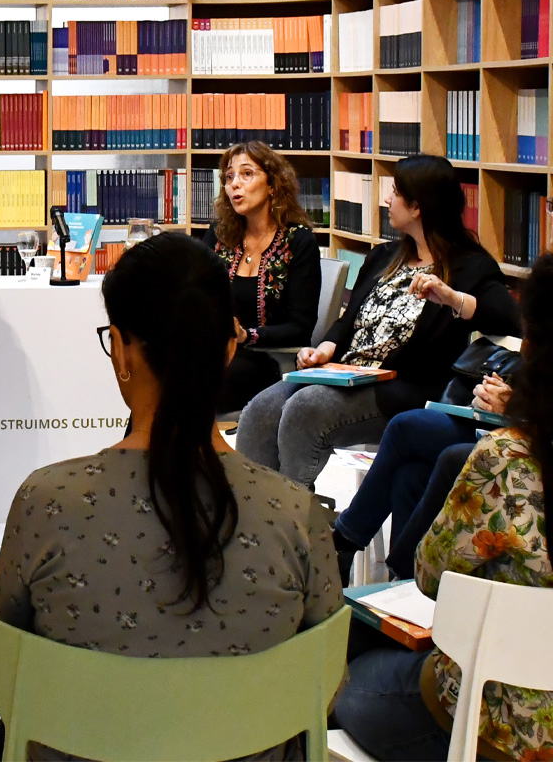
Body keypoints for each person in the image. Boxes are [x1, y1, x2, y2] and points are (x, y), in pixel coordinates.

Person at [0, 233, 342, 761]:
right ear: (229, 349)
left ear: (121, 349)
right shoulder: (295, 512)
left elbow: (9, 676)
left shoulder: (47, 503)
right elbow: (327, 685)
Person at [333, 253, 553, 762]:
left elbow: (430, 575)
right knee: (415, 470)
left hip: (493, 721)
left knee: (342, 674)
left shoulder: (506, 461)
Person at [237, 155, 521, 490]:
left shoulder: (469, 266)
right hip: (345, 374)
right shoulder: (384, 256)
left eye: (396, 193)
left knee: (305, 408)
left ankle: (293, 511)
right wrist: (325, 348)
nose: (387, 200)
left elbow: (509, 319)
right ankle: (257, 508)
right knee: (259, 411)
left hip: (402, 389)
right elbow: (350, 320)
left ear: (417, 207)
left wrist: (453, 298)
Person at [330, 367, 511, 583]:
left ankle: (346, 543)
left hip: (527, 437)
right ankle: (403, 582)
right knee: (410, 475)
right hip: (498, 420)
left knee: (404, 429)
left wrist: (516, 405)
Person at [203, 141, 321, 412]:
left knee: (193, 382)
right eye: (229, 177)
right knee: (159, 374)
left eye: (247, 174)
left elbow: (300, 328)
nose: (235, 184)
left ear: (272, 185)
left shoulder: (298, 242)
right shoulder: (219, 236)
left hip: (265, 361)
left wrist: (247, 335)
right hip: (214, 352)